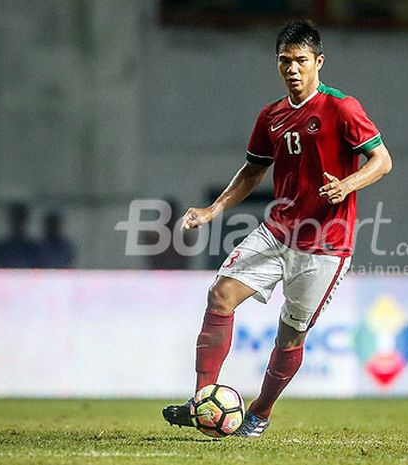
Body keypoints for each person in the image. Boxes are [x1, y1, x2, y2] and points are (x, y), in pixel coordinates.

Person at [162, 20, 392, 437]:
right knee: (221, 294)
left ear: (318, 62)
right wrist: (214, 210)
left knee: (289, 337)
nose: (293, 69)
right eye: (285, 61)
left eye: (301, 60)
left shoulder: (342, 108)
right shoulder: (272, 116)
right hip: (277, 231)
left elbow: (381, 161)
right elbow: (252, 171)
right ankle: (201, 400)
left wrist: (348, 184)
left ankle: (260, 413)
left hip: (326, 244)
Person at [0, 203, 40, 268]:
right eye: (16, 220)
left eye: (20, 220)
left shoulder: (34, 249)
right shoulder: (0, 249)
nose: (18, 224)